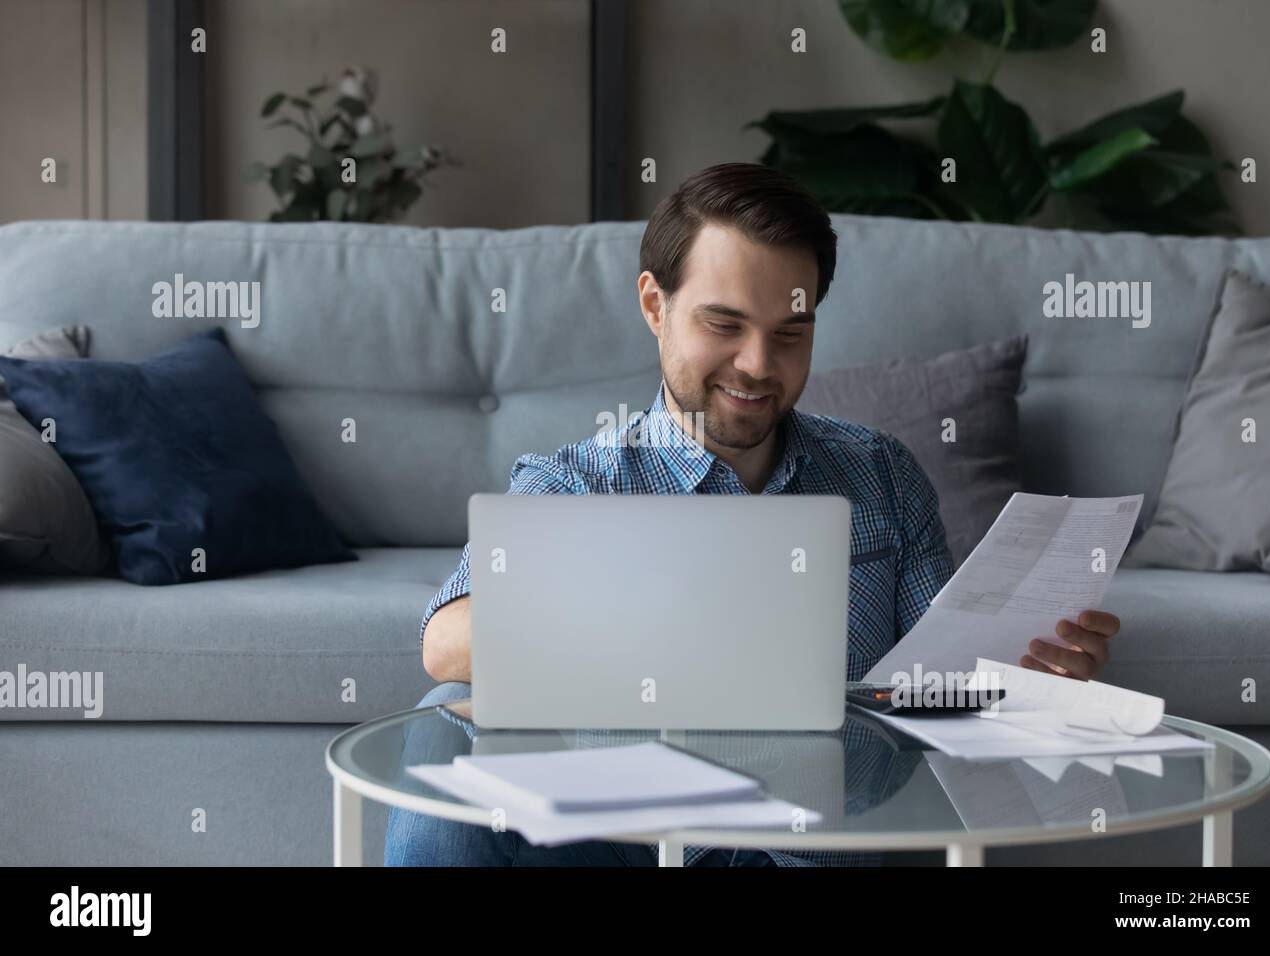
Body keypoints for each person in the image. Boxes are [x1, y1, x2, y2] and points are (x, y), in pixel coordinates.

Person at [386, 162, 1121, 867]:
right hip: (625, 850)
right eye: (725, 324)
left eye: (790, 333)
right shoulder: (576, 482)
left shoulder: (881, 477)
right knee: (447, 712)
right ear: (655, 306)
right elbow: (446, 644)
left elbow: (946, 684)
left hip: (812, 854)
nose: (759, 364)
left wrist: (1034, 674)